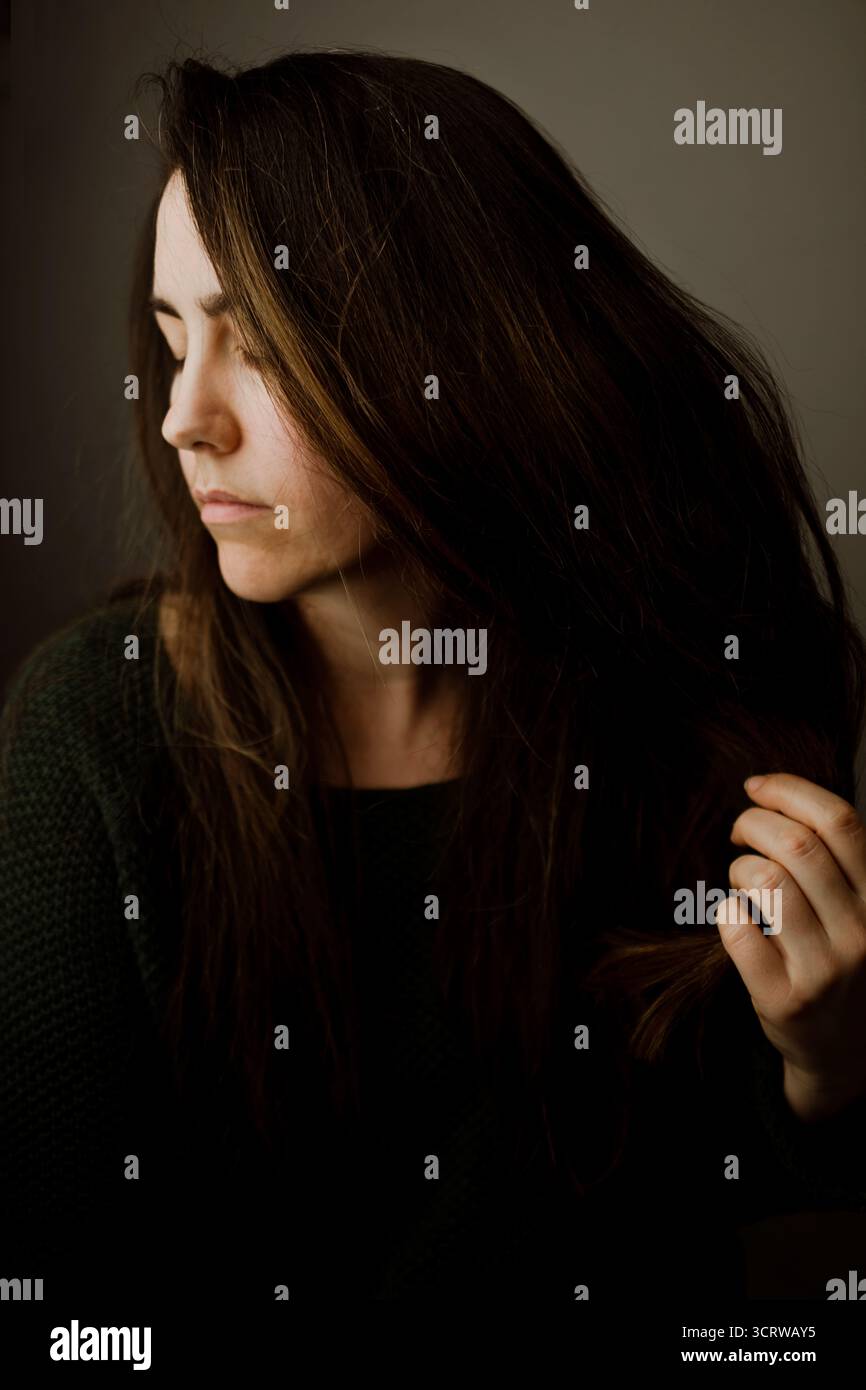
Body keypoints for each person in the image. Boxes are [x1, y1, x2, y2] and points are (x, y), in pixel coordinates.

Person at [2, 48, 865, 1307]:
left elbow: (719, 1233)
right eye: (171, 335)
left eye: (260, 345)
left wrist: (826, 1063)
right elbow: (65, 1303)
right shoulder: (98, 731)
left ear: (452, 353)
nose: (186, 414)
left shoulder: (670, 707)